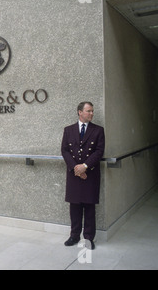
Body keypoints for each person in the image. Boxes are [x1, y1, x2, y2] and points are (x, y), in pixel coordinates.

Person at [61, 102, 105, 250]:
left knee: (89, 206)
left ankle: (88, 238)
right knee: (74, 206)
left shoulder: (98, 130)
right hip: (74, 174)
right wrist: (76, 168)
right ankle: (74, 236)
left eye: (92, 111)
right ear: (80, 112)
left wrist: (85, 166)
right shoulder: (68, 130)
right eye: (88, 111)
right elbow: (65, 151)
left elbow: (99, 151)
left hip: (90, 173)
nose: (91, 113)